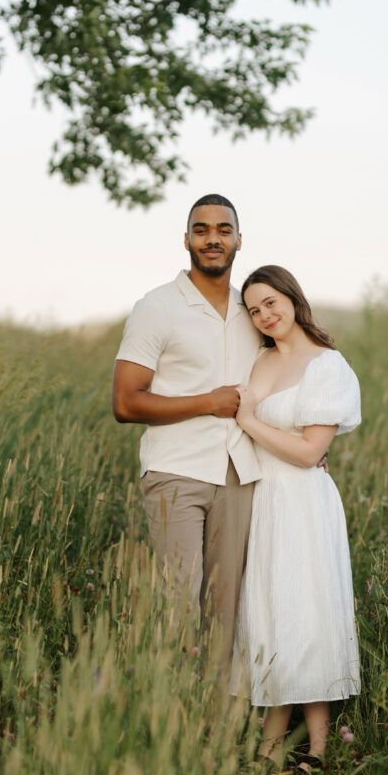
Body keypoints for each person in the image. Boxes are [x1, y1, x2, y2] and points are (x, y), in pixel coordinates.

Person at [111, 194, 261, 665]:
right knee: (177, 609)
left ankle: (213, 732)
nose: (212, 238)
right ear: (186, 239)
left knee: (225, 614)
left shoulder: (253, 313)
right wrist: (208, 402)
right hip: (176, 472)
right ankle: (166, 724)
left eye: (222, 229)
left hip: (238, 476)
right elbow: (125, 402)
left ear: (239, 240)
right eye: (201, 230)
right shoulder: (157, 307)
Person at [230, 265, 361, 772]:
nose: (265, 315)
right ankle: (269, 745)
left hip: (303, 502)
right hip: (262, 499)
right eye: (254, 309)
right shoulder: (258, 362)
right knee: (269, 615)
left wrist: (247, 419)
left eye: (271, 302)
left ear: (291, 297)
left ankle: (320, 751)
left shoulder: (327, 366)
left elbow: (309, 453)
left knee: (308, 612)